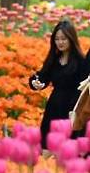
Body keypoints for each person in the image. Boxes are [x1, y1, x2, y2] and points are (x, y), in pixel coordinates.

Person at [29, 20, 86, 149]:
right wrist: (36, 82)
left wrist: (74, 110)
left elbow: (82, 88)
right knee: (47, 146)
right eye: (57, 39)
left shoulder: (81, 61)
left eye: (64, 39)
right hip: (54, 106)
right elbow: (42, 76)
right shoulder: (54, 59)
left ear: (71, 39)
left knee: (67, 146)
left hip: (72, 108)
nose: (60, 42)